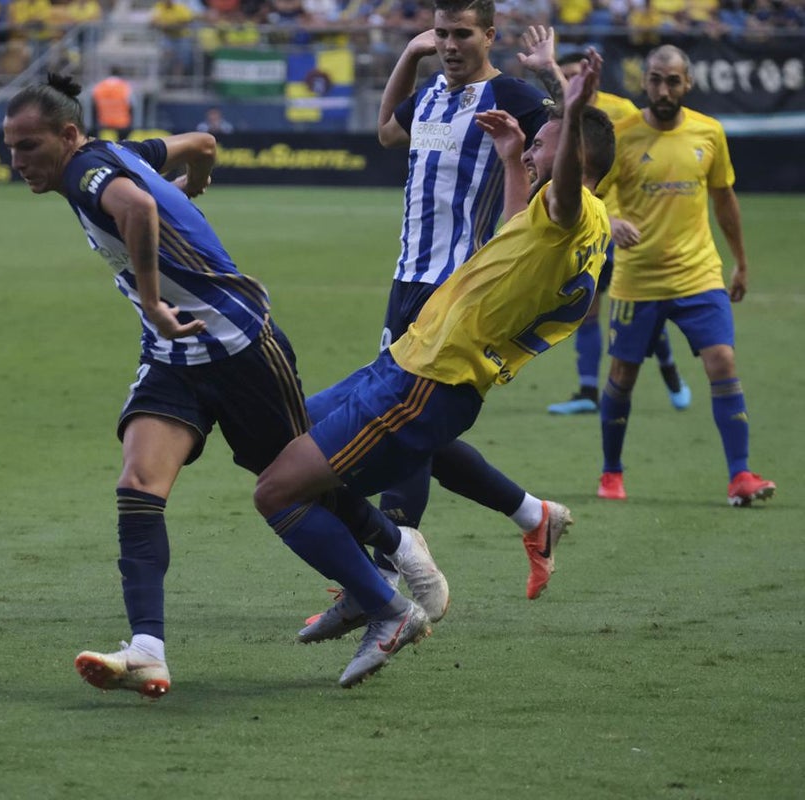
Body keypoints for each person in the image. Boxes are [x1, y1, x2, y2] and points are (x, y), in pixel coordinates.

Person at [2, 74, 434, 696]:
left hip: (239, 347)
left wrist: (151, 297)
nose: (18, 161)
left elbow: (139, 208)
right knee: (139, 483)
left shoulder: (85, 173)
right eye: (10, 147)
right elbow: (202, 142)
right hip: (175, 354)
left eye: (29, 146)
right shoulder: (121, 154)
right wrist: (194, 187)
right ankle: (147, 647)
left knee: (293, 485)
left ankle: (391, 586)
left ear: (69, 136)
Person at [257, 52, 616, 656]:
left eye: (540, 144)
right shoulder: (557, 220)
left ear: (576, 158)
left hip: (429, 380)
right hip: (405, 361)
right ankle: (390, 565)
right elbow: (512, 235)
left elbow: (563, 193)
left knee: (282, 487)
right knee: (275, 441)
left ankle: (384, 590)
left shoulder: (576, 210)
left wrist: (572, 100)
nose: (530, 149)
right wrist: (510, 160)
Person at [302, 4, 569, 629]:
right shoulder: (427, 97)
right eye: (441, 34)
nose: (450, 45)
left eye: (461, 34)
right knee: (417, 425)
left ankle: (388, 574)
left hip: (460, 284)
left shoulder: (511, 94)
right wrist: (408, 55)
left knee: (401, 423)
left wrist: (556, 79)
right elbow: (386, 134)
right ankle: (533, 515)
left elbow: (575, 142)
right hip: (407, 282)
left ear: (489, 37)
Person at [596, 45, 776, 507]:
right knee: (622, 375)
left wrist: (740, 261)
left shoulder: (709, 132)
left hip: (699, 274)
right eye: (655, 79)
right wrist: (612, 219)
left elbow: (724, 199)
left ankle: (740, 475)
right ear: (645, 82)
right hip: (638, 279)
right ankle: (611, 472)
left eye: (672, 81)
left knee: (723, 362)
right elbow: (594, 189)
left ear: (687, 84)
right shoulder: (622, 135)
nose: (662, 89)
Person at [546, 49, 691, 416]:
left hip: (627, 229)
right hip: (586, 227)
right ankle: (587, 391)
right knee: (587, 309)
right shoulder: (556, 119)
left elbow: (650, 162)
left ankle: (670, 369)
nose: (569, 81)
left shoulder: (622, 112)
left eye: (576, 73)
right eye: (562, 75)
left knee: (641, 310)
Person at [90, 70, 134, 138]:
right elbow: (131, 104)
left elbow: (94, 103)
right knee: (122, 144)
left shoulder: (100, 86)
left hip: (103, 121)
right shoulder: (124, 86)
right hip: (121, 122)